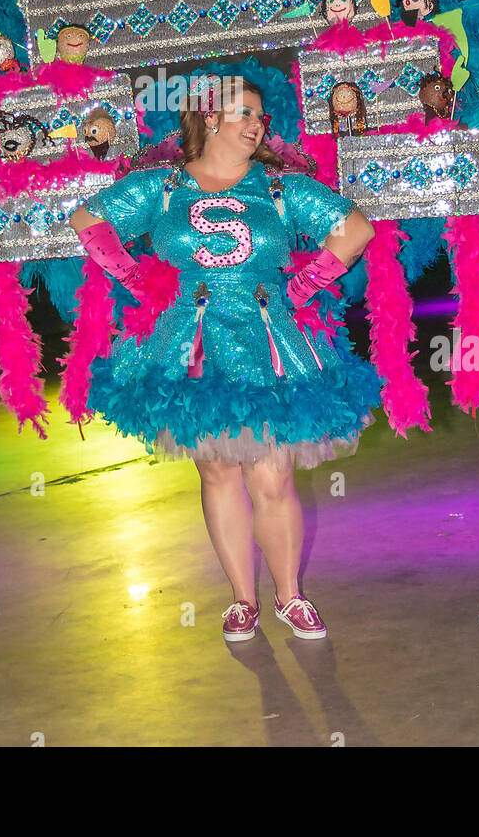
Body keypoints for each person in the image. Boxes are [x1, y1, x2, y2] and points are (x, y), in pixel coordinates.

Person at [68, 75, 379, 643]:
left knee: (274, 473)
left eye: (261, 116)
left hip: (269, 346)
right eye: (245, 113)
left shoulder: (281, 188)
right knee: (216, 471)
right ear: (209, 118)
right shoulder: (161, 188)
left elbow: (355, 229)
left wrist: (306, 286)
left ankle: (289, 597)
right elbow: (88, 221)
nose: (258, 125)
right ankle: (242, 600)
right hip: (190, 347)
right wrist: (139, 281)